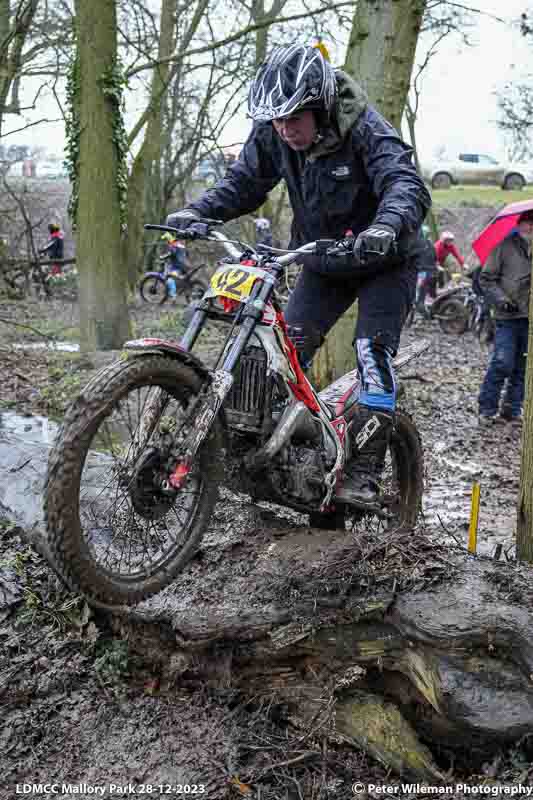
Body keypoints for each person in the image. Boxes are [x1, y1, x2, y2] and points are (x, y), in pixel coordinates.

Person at [166, 44, 431, 505]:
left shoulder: (364, 128)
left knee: (371, 351)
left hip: (385, 260)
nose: (285, 130)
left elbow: (404, 183)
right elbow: (243, 183)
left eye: (294, 119)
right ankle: (279, 454)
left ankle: (365, 473)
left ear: (320, 105)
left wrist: (385, 226)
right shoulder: (275, 132)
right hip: (323, 258)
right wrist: (198, 211)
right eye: (277, 120)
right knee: (281, 353)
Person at [477, 209, 533, 425]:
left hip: (529, 319)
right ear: (519, 225)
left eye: (532, 223)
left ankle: (511, 409)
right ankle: (487, 408)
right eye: (526, 222)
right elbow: (486, 278)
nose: (529, 227)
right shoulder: (504, 247)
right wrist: (502, 300)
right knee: (503, 362)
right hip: (507, 316)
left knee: (523, 366)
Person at [413, 224, 438, 318]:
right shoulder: (431, 245)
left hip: (423, 275)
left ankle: (428, 317)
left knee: (418, 300)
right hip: (434, 274)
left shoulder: (417, 245)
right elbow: (435, 259)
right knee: (432, 296)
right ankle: (434, 310)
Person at [160, 232, 188, 299]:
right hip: (183, 266)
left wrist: (162, 257)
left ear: (170, 239)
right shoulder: (179, 244)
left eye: (166, 240)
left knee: (170, 280)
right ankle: (177, 290)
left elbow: (171, 253)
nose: (166, 242)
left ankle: (173, 296)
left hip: (178, 267)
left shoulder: (173, 245)